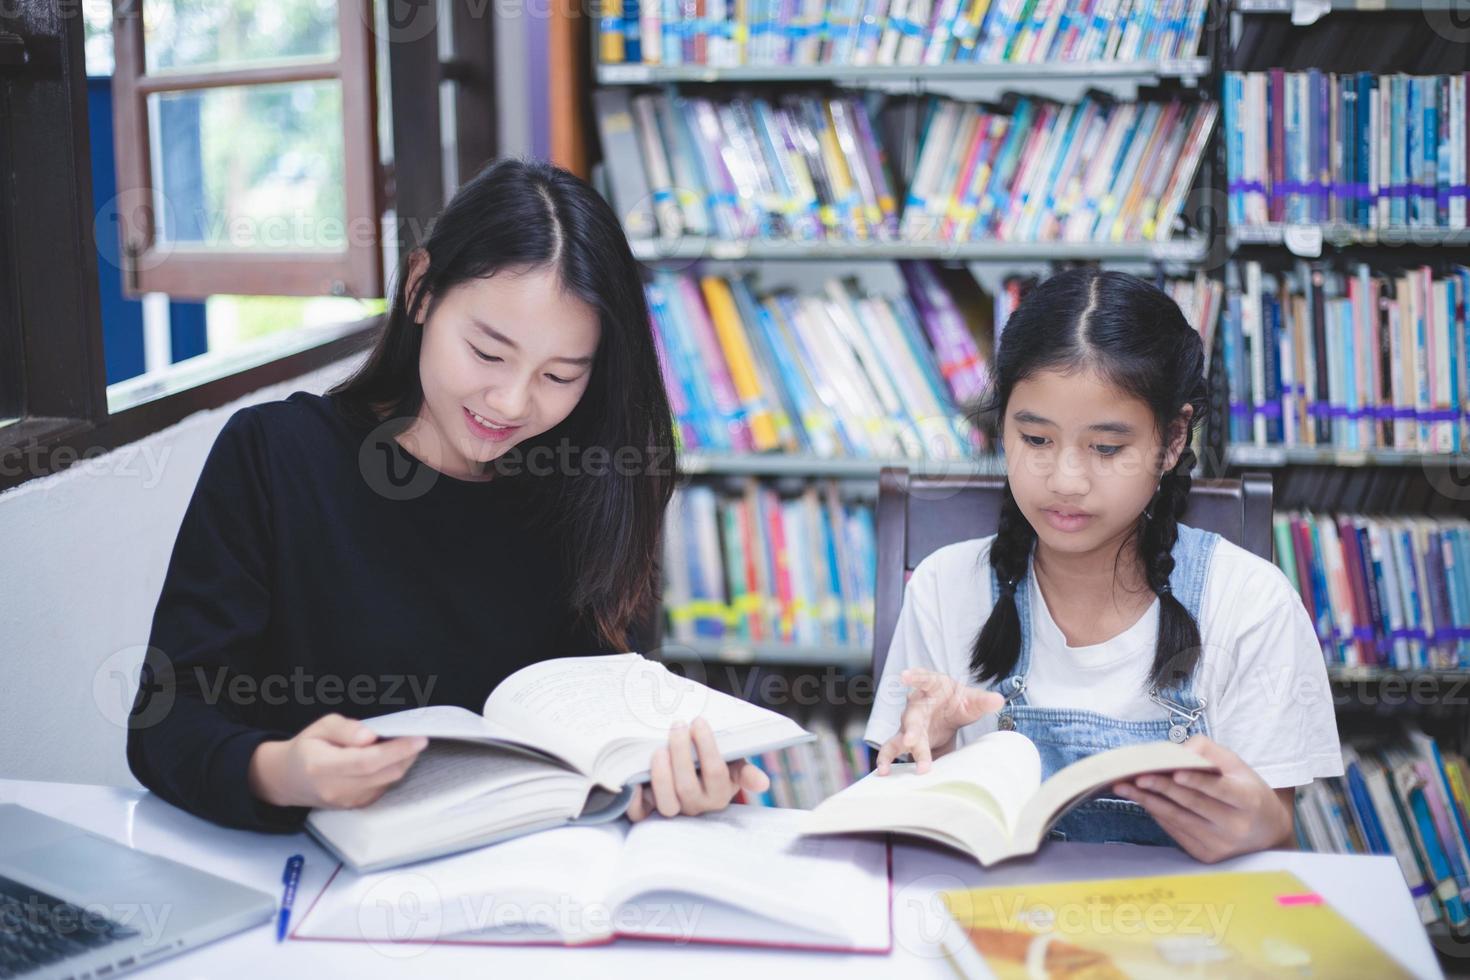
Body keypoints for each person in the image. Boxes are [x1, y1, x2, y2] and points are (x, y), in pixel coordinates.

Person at [126, 158, 769, 832]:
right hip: (319, 890)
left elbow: (610, 729)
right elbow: (167, 720)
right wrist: (280, 771)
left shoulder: (596, 484)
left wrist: (656, 780)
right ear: (421, 290)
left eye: (558, 374)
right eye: (488, 353)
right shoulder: (277, 456)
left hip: (538, 883)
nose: (512, 401)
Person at [866, 267, 1343, 862]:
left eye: (1107, 449)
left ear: (1171, 442)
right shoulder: (945, 587)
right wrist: (922, 759)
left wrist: (1264, 831)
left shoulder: (1249, 604)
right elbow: (902, 847)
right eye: (1036, 440)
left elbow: (1278, 856)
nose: (1065, 480)